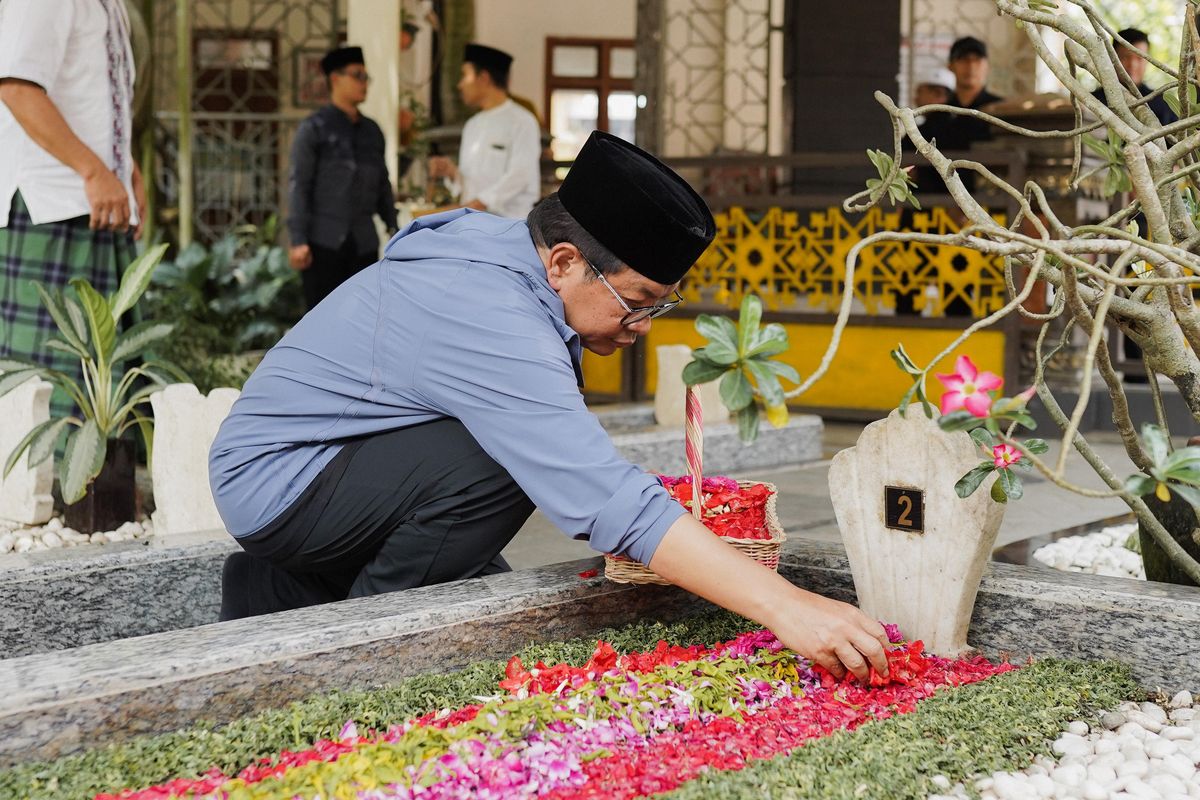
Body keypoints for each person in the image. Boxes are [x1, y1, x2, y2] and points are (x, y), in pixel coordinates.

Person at [211, 130, 890, 682]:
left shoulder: (510, 249)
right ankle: (360, 648)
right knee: (501, 460)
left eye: (662, 304)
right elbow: (600, 496)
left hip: (332, 466)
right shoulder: (490, 313)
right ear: (564, 260)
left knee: (498, 470)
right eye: (638, 300)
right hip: (281, 484)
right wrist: (789, 608)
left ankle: (287, 589)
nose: (645, 325)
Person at [0, 0, 145, 421]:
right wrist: (95, 170)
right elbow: (16, 87)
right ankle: (47, 487)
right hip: (50, 205)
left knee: (103, 383)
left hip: (93, 203)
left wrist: (125, 166)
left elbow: (95, 94)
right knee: (45, 381)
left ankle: (91, 486)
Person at [287, 46, 397, 311]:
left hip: (364, 243)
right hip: (323, 243)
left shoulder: (372, 131)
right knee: (321, 319)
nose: (364, 84)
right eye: (357, 75)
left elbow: (382, 183)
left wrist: (394, 226)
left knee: (364, 318)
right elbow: (300, 184)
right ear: (335, 79)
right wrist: (298, 239)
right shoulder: (314, 129)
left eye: (366, 77)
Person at [427, 43, 541, 219]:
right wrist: (452, 172)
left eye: (465, 75)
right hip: (474, 222)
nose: (460, 85)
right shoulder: (472, 125)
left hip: (508, 224)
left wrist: (476, 204)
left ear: (483, 78)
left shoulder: (522, 121)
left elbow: (521, 175)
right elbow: (472, 182)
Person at [1092, 28, 1177, 127]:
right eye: (1125, 57)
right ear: (1112, 59)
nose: (1133, 65)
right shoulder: (1093, 101)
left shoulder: (1162, 102)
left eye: (1139, 58)